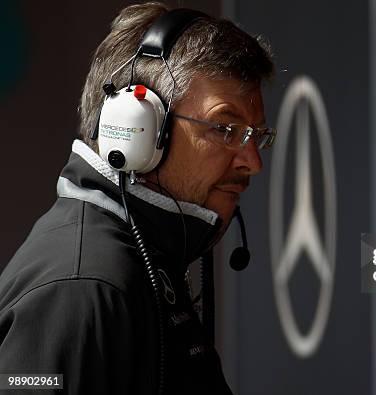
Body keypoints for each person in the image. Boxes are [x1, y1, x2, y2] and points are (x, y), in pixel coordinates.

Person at [0, 3, 274, 394]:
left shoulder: (136, 262)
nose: (253, 161)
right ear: (134, 128)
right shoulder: (81, 288)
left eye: (256, 136)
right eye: (225, 128)